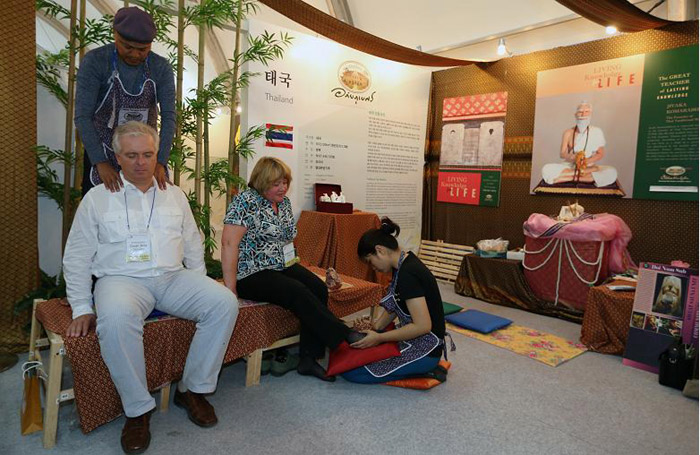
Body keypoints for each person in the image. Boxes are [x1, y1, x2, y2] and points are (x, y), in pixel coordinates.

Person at [63, 122, 238, 454]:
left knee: (223, 303)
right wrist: (82, 307)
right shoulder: (97, 200)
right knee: (114, 319)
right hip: (120, 280)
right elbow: (77, 257)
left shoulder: (174, 194)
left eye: (148, 154)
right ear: (117, 157)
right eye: (131, 155)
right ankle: (138, 410)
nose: (141, 162)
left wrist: (200, 279)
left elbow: (191, 243)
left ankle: (193, 390)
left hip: (172, 277)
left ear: (157, 154)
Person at [221, 156, 364, 382]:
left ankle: (309, 359)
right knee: (297, 292)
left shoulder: (284, 203)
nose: (283, 188)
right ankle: (344, 334)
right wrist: (230, 288)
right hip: (252, 272)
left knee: (317, 287)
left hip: (282, 264)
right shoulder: (245, 202)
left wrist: (297, 263)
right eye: (276, 184)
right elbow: (229, 243)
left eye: (285, 182)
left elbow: (288, 239)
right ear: (262, 181)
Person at [75, 6, 175, 195]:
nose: (135, 54)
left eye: (143, 49)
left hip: (143, 157)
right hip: (102, 150)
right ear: (115, 35)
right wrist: (100, 163)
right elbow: (82, 117)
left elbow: (169, 117)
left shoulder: (161, 68)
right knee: (101, 209)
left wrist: (160, 161)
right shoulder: (96, 61)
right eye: (127, 47)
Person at [342, 218, 449, 384]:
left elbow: (423, 326)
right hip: (414, 339)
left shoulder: (408, 274)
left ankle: (427, 371)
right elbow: (396, 304)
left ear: (380, 250)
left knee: (353, 372)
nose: (372, 268)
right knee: (353, 354)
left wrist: (379, 338)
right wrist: (375, 327)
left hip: (425, 349)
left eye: (370, 262)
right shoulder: (404, 264)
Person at [541, 102, 618, 187]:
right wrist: (573, 157)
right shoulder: (568, 132)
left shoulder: (596, 132)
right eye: (580, 111)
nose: (583, 114)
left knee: (612, 172)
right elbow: (562, 154)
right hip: (570, 166)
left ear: (590, 114)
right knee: (546, 169)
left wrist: (586, 162)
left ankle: (566, 177)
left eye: (587, 111)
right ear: (575, 114)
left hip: (588, 165)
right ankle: (584, 176)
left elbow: (600, 153)